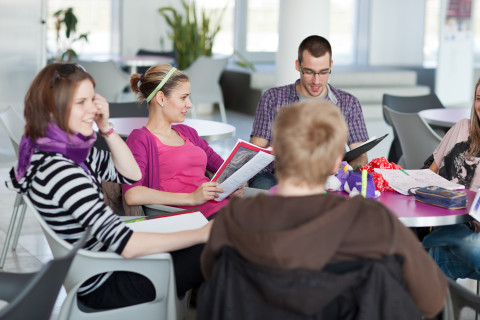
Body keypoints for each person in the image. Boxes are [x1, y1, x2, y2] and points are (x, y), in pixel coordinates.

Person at [200, 100, 446, 319]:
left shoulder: (236, 216)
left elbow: (216, 279)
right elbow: (432, 300)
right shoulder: (374, 221)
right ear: (336, 162)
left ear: (275, 153)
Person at [6, 63, 211, 310]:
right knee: (215, 246)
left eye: (92, 99)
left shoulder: (69, 153)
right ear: (53, 109)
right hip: (104, 279)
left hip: (107, 263)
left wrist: (106, 128)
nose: (93, 109)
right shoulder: (61, 171)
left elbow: (131, 174)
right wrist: (204, 233)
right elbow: (128, 245)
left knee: (213, 247)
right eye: (81, 102)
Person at [249, 35, 370, 189]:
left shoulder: (348, 103)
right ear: (297, 65)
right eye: (309, 72)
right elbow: (255, 151)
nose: (316, 81)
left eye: (323, 72)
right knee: (264, 186)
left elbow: (361, 155)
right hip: (278, 175)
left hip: (329, 177)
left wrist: (343, 170)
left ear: (331, 65)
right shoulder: (272, 98)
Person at [122, 64, 242, 220]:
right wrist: (192, 198)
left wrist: (234, 183)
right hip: (192, 217)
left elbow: (223, 168)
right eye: (183, 97)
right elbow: (132, 194)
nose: (190, 104)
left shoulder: (187, 132)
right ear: (161, 98)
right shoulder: (141, 139)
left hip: (223, 209)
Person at [422, 78, 480, 280]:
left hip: (476, 232)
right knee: (439, 256)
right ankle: (437, 241)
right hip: (449, 219)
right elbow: (430, 172)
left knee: (473, 247)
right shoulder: (463, 127)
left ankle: (432, 241)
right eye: (479, 99)